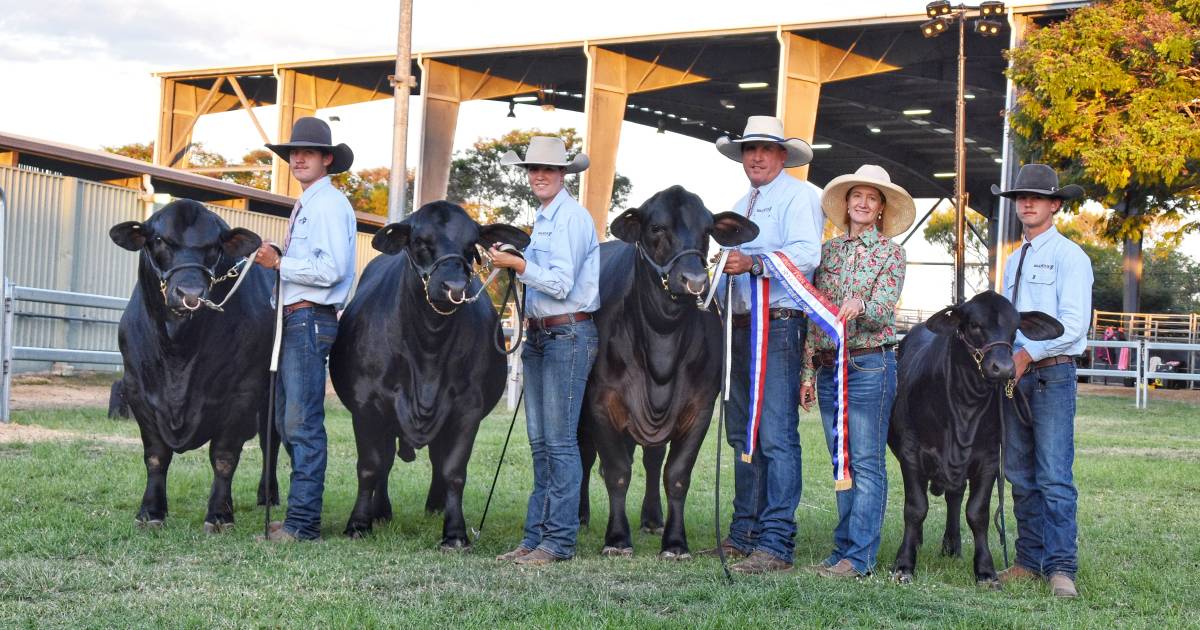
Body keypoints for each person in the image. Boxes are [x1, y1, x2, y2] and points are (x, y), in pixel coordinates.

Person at [707, 115, 823, 573]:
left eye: (763, 149)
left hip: (778, 324)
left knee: (775, 433)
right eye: (748, 150)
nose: (754, 157)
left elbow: (807, 254)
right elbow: (728, 265)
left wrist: (752, 264)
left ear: (781, 156)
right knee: (743, 432)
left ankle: (776, 542)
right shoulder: (740, 203)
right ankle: (744, 533)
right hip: (738, 326)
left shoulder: (801, 197)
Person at [489, 136, 600, 566]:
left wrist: (518, 265)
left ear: (563, 175)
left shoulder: (572, 218)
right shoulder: (546, 217)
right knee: (541, 443)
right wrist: (519, 259)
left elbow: (560, 284)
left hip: (567, 334)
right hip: (541, 335)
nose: (539, 176)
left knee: (558, 442)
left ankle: (557, 541)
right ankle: (535, 537)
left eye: (548, 170)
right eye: (533, 169)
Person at [798, 164, 913, 578]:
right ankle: (842, 549)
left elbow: (885, 307)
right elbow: (814, 316)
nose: (863, 203)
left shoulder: (891, 253)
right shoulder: (826, 254)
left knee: (865, 461)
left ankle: (860, 556)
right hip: (829, 367)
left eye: (872, 198)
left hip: (868, 364)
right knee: (840, 461)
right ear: (846, 203)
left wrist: (861, 305)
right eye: (857, 196)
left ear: (881, 208)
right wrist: (808, 374)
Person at [253, 117, 358, 542]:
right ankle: (299, 514)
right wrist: (283, 253)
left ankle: (303, 524)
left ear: (326, 159)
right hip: (295, 318)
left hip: (310, 317)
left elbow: (330, 269)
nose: (298, 158)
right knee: (287, 419)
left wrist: (280, 263)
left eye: (308, 152)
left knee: (301, 423)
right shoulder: (311, 204)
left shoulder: (329, 205)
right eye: (293, 153)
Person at [992, 163, 1092, 598]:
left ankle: (1060, 567)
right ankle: (1028, 560)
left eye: (1036, 197)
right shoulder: (1014, 259)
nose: (1026, 203)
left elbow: (1073, 327)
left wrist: (1026, 354)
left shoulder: (1071, 256)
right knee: (1019, 472)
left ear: (1055, 204)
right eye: (1020, 197)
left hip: (1051, 374)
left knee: (1053, 474)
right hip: (1016, 376)